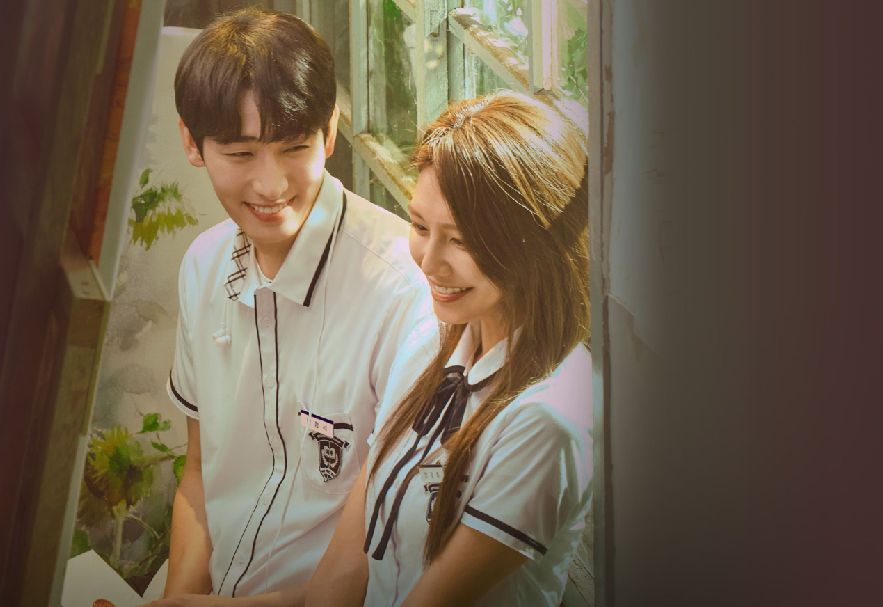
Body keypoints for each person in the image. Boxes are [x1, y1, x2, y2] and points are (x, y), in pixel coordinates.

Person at [151, 7, 432, 606]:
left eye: (294, 147)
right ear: (192, 142)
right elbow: (199, 473)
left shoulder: (404, 292)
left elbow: (381, 549)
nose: (271, 186)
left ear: (329, 131)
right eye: (240, 154)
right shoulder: (203, 266)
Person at [307, 90, 594, 607]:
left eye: (460, 241)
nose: (428, 262)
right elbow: (348, 568)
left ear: (534, 242)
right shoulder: (431, 340)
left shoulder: (547, 417)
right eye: (420, 226)